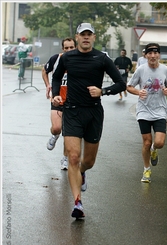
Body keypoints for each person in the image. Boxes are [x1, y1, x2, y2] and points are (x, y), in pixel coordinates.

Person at [51, 23, 126, 219]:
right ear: (77, 37)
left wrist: (103, 91)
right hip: (72, 112)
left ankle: (83, 172)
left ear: (93, 37)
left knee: (89, 161)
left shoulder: (101, 58)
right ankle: (77, 203)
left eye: (89, 34)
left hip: (93, 113)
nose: (86, 37)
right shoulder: (67, 57)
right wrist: (57, 95)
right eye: (82, 34)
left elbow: (120, 83)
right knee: (73, 157)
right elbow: (56, 78)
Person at [126, 43, 167, 183]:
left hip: (160, 110)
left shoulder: (165, 69)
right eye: (150, 53)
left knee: (159, 142)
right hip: (144, 110)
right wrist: (138, 92)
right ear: (145, 55)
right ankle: (146, 170)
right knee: (146, 142)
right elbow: (129, 86)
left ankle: (154, 149)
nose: (153, 56)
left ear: (159, 55)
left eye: (155, 53)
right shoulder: (141, 70)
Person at [42, 37, 76, 170]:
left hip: (73, 102)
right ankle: (54, 135)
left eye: (71, 47)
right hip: (58, 99)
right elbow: (45, 71)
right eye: (66, 48)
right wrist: (48, 85)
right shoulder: (56, 59)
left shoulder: (79, 61)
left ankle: (65, 158)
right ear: (63, 49)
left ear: (75, 47)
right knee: (57, 128)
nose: (68, 50)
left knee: (69, 135)